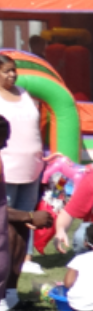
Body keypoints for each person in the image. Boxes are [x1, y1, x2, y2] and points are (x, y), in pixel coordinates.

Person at [0, 54, 44, 282]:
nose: (12, 74)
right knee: (7, 215)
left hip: (32, 166)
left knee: (28, 215)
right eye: (7, 71)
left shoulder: (24, 93)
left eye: (14, 70)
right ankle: (5, 260)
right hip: (7, 167)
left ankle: (26, 258)